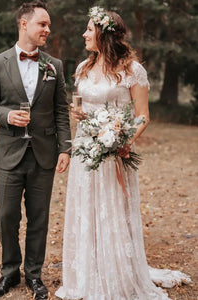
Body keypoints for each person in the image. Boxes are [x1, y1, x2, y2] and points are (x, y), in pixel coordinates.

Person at [55, 6, 191, 300]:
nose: (84, 34)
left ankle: (115, 271)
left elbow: (143, 116)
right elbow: (81, 107)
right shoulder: (82, 68)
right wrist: (78, 114)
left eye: (89, 29)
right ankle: (87, 271)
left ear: (104, 34)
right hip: (84, 150)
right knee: (86, 207)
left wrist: (123, 139)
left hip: (115, 152)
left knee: (112, 208)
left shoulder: (133, 70)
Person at [0, 1, 71, 299]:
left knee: (39, 217)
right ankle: (9, 273)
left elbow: (61, 111)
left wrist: (65, 147)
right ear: (24, 24)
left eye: (48, 25)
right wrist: (6, 115)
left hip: (44, 153)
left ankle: (34, 275)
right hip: (8, 154)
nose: (47, 29)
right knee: (7, 215)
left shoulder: (54, 66)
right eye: (42, 24)